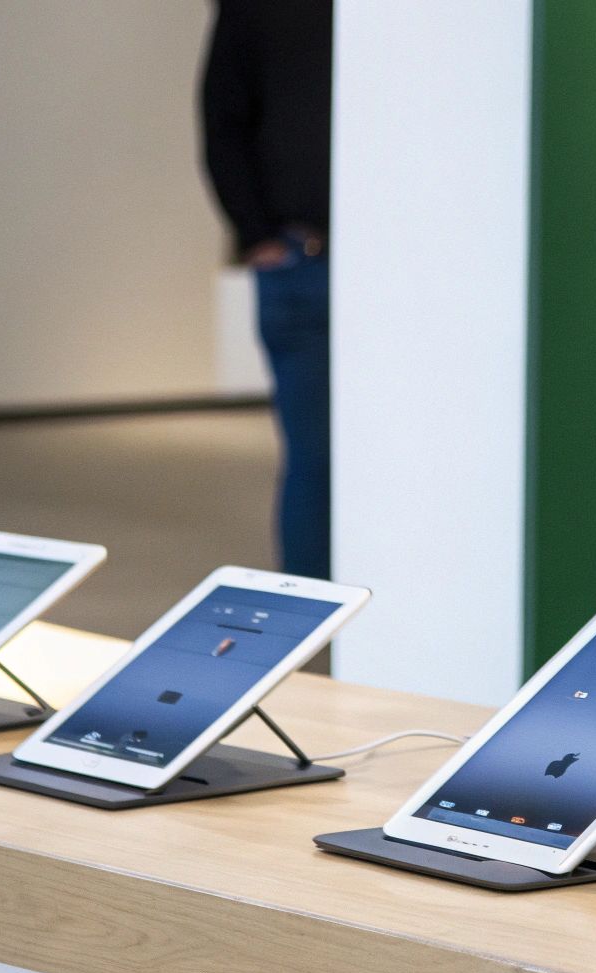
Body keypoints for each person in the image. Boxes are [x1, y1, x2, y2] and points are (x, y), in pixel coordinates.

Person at [200, 0, 334, 579]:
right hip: (306, 261)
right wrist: (258, 236)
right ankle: (317, 615)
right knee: (315, 457)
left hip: (401, 263)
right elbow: (223, 122)